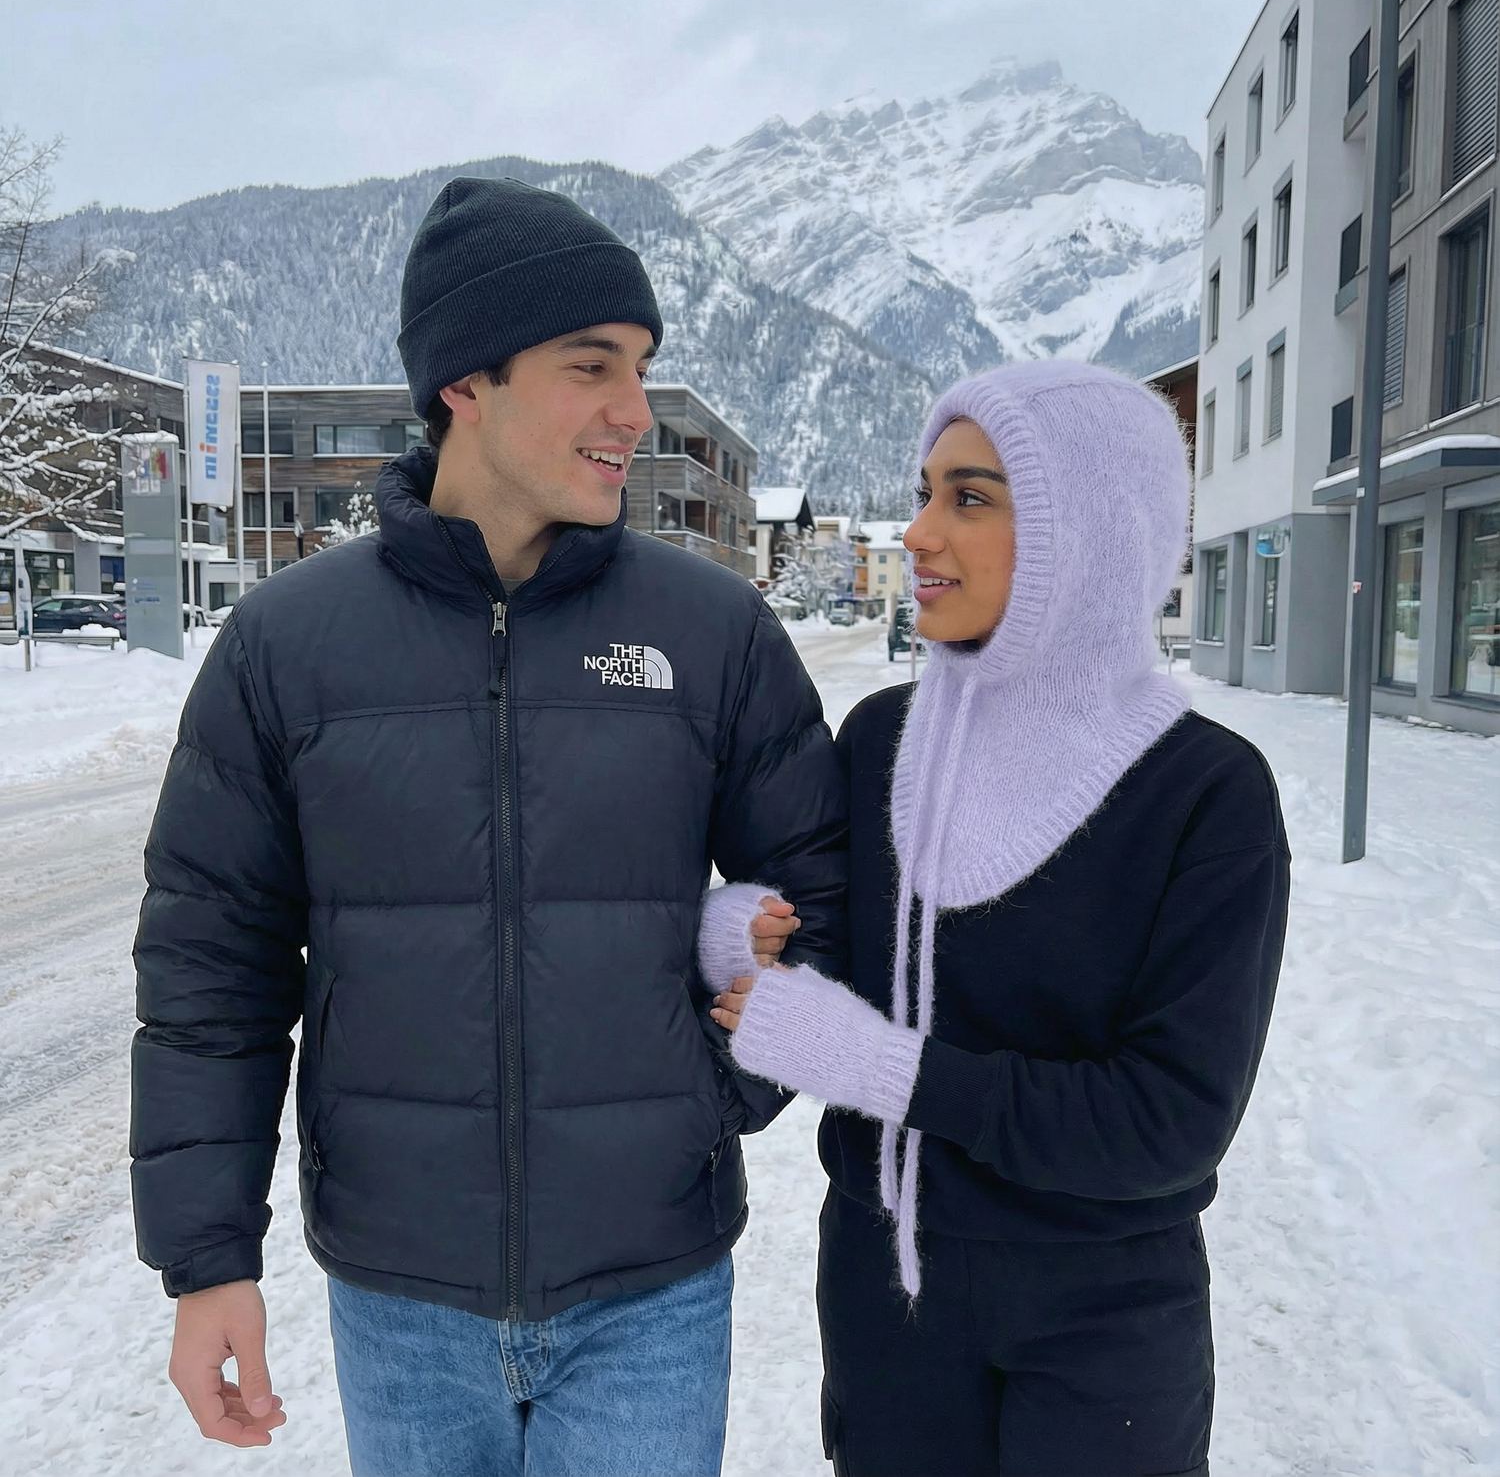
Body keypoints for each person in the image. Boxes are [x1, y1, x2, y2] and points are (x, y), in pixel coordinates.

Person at [130, 176, 846, 1477]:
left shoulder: (712, 634)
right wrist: (206, 1259)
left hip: (651, 1288)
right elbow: (210, 972)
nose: (635, 411)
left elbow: (822, 895)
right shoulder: (288, 646)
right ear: (467, 381)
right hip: (401, 1298)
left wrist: (713, 1090)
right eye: (592, 366)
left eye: (640, 369)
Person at [702, 362, 1290, 1477]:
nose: (920, 533)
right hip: (885, 1297)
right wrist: (747, 935)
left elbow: (1168, 1121)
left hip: (1103, 1318)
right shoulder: (880, 741)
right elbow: (826, 970)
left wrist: (885, 1070)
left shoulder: (1204, 793)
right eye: (924, 491)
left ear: (1094, 536)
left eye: (969, 497)